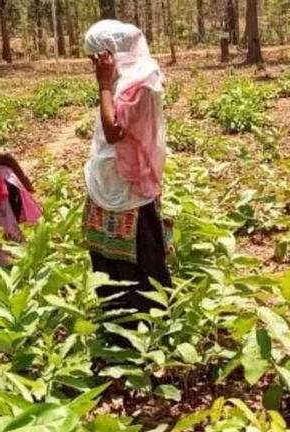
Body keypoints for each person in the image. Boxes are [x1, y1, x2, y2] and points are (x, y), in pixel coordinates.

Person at [82, 20, 171, 315]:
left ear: (108, 55)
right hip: (109, 180)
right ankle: (116, 317)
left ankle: (146, 320)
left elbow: (114, 131)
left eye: (96, 58)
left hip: (127, 184)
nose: (94, 64)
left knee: (140, 260)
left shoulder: (139, 82)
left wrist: (103, 83)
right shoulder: (128, 78)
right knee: (108, 257)